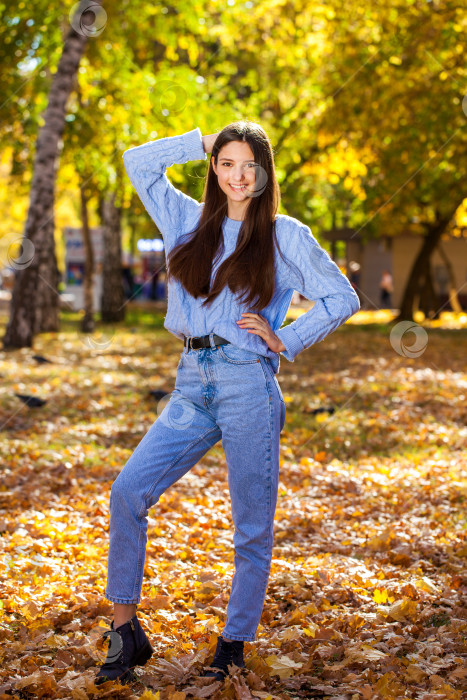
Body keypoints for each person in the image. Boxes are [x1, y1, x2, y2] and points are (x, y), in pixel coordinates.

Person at [94, 122, 360, 685]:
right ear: (215, 169)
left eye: (250, 167)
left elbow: (342, 296)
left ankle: (234, 642)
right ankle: (125, 635)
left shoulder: (284, 235)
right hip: (192, 383)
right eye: (227, 164)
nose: (239, 176)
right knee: (127, 492)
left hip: (248, 386)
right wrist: (199, 141)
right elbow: (137, 161)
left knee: (251, 528)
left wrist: (285, 336)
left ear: (264, 175)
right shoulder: (186, 219)